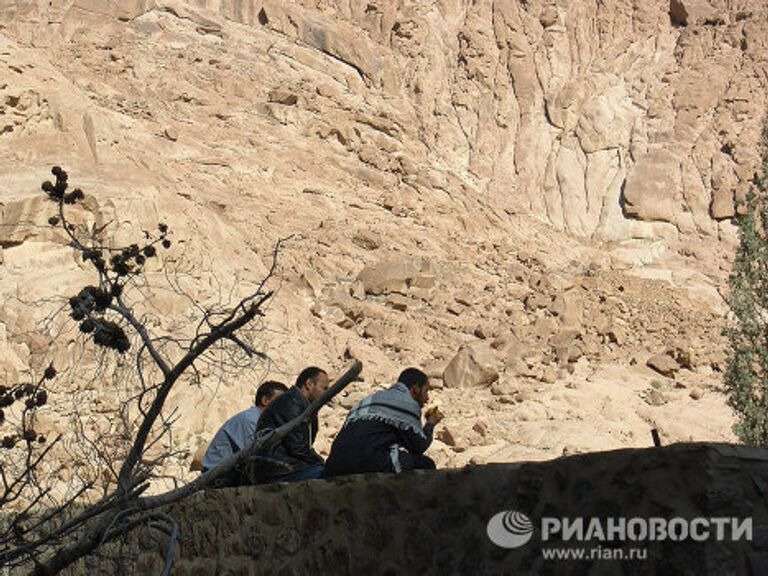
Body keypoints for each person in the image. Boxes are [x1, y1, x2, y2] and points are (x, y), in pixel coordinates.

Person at [324, 367, 443, 477]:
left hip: (335, 463)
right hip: (365, 462)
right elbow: (418, 446)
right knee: (426, 464)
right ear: (416, 389)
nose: (427, 399)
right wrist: (430, 424)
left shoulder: (372, 398)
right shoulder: (407, 403)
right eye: (426, 391)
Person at [202, 380, 288, 487]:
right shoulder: (251, 420)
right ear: (265, 400)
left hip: (228, 475)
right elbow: (258, 457)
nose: (285, 407)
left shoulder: (260, 422)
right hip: (217, 478)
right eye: (280, 402)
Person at [252, 366, 330, 483]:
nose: (327, 393)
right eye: (324, 388)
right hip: (278, 471)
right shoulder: (291, 402)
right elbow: (298, 447)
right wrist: (323, 463)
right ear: (309, 384)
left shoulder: (306, 407)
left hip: (286, 468)